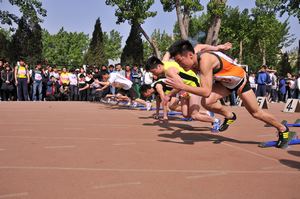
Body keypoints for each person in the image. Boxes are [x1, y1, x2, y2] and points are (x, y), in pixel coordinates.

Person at [166, 39, 295, 149]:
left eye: (180, 61)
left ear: (190, 55)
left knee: (256, 113)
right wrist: (218, 47)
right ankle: (229, 116)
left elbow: (206, 91)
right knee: (207, 103)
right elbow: (201, 45)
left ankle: (283, 129)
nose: (180, 65)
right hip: (225, 83)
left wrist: (182, 86)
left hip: (239, 80)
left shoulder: (205, 61)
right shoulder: (194, 52)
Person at [145, 56, 220, 131]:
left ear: (159, 66)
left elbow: (180, 85)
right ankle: (207, 113)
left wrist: (168, 95)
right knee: (186, 114)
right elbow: (166, 56)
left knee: (194, 115)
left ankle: (215, 121)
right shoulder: (164, 64)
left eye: (153, 72)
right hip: (185, 89)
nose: (153, 75)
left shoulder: (169, 71)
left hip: (194, 87)